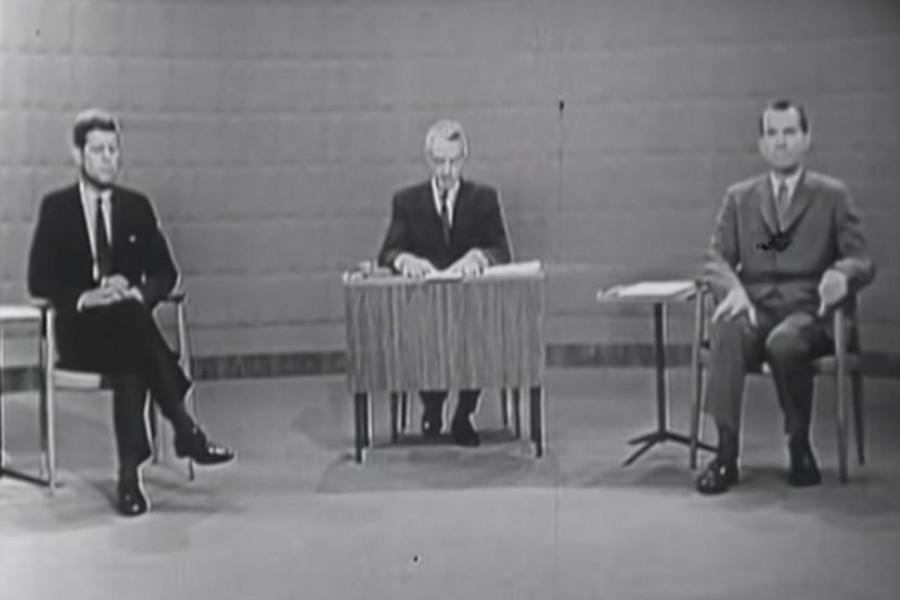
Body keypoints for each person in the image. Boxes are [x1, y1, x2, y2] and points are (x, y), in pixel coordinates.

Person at [27, 109, 235, 516]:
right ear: (78, 155)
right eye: (98, 150)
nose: (108, 158)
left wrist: (136, 293)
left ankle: (130, 480)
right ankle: (183, 427)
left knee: (130, 340)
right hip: (81, 337)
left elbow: (165, 272)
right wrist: (89, 297)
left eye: (113, 150)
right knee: (133, 336)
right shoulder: (57, 208)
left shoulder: (137, 206)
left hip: (126, 334)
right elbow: (40, 279)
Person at [696, 99, 875, 494]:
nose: (781, 143)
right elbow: (714, 260)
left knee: (785, 343)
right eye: (772, 134)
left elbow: (862, 259)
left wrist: (840, 275)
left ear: (806, 139)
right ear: (761, 144)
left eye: (789, 133)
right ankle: (725, 455)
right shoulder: (739, 197)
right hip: (755, 306)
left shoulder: (832, 195)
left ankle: (799, 446)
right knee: (725, 325)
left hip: (809, 310)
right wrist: (735, 290)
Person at [377, 119, 512, 447]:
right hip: (425, 306)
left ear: (464, 158)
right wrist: (404, 261)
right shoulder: (407, 202)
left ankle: (464, 415)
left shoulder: (484, 199)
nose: (447, 170)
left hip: (470, 305)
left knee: (477, 339)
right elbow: (388, 252)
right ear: (429, 159)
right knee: (424, 338)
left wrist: (479, 257)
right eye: (440, 161)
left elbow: (502, 251)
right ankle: (433, 408)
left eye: (453, 161)